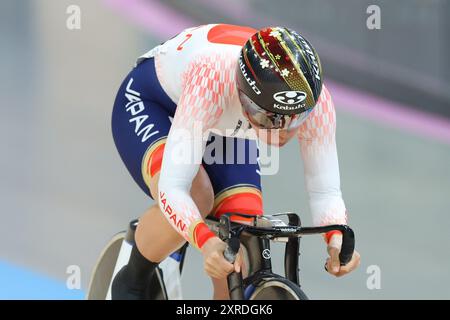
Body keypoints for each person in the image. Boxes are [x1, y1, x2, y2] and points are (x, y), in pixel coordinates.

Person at [110, 24, 360, 300]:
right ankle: (131, 281)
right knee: (198, 196)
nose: (282, 133)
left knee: (239, 232)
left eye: (295, 120)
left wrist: (336, 239)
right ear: (244, 96)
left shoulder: (314, 101)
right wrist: (204, 242)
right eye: (271, 119)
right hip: (155, 103)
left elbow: (325, 191)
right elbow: (174, 187)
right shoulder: (211, 76)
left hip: (223, 121)